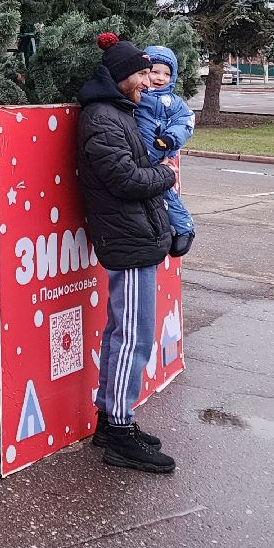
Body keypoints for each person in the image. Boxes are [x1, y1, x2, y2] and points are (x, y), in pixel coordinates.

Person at [77, 34, 177, 474]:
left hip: (135, 238)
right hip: (128, 243)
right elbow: (126, 180)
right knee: (131, 337)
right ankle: (120, 429)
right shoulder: (102, 118)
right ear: (120, 76)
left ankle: (108, 419)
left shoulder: (117, 113)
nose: (147, 82)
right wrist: (164, 174)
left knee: (126, 332)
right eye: (140, 74)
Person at [135, 45, 197, 256]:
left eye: (167, 74)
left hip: (159, 156)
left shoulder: (174, 102)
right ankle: (161, 230)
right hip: (137, 158)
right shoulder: (136, 95)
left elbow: (186, 122)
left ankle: (184, 228)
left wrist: (170, 139)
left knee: (166, 195)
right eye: (154, 71)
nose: (160, 78)